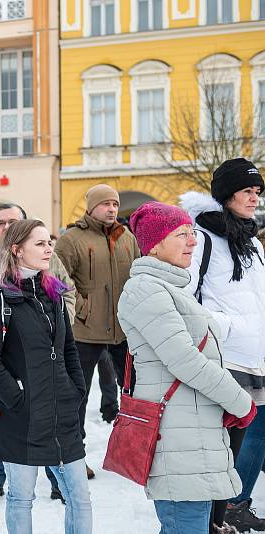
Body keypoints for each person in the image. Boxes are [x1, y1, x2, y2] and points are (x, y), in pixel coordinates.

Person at [119, 201, 256, 534]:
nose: (193, 241)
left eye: (192, 233)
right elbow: (185, 360)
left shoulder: (172, 289)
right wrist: (239, 401)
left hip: (192, 433)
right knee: (186, 524)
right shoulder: (145, 290)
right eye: (182, 234)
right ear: (154, 242)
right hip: (177, 438)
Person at [0, 219, 91, 534]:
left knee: (80, 497)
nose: (49, 248)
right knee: (21, 498)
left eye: (49, 242)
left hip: (62, 413)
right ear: (17, 249)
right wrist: (17, 397)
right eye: (40, 243)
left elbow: (68, 347)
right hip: (23, 417)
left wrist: (75, 388)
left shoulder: (53, 292)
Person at [0, 203, 75, 505]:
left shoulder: (49, 258)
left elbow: (67, 294)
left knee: (48, 419)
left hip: (43, 356)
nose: (4, 226)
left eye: (11, 221)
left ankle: (54, 477)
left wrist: (59, 328)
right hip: (3, 358)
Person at [181, 158, 265, 532]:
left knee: (250, 435)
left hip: (255, 355)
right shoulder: (200, 238)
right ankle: (214, 519)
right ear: (227, 193)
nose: (254, 198)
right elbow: (184, 296)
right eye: (247, 190)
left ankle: (229, 510)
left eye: (257, 192)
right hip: (223, 356)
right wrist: (225, 328)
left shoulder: (252, 242)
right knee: (223, 446)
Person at [55, 184, 140, 478]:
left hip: (124, 330)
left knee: (134, 393)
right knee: (76, 397)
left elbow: (139, 276)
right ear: (91, 208)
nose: (112, 209)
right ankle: (74, 459)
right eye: (105, 204)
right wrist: (82, 307)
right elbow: (56, 280)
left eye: (115, 204)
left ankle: (133, 453)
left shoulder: (126, 237)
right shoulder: (71, 239)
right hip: (84, 332)